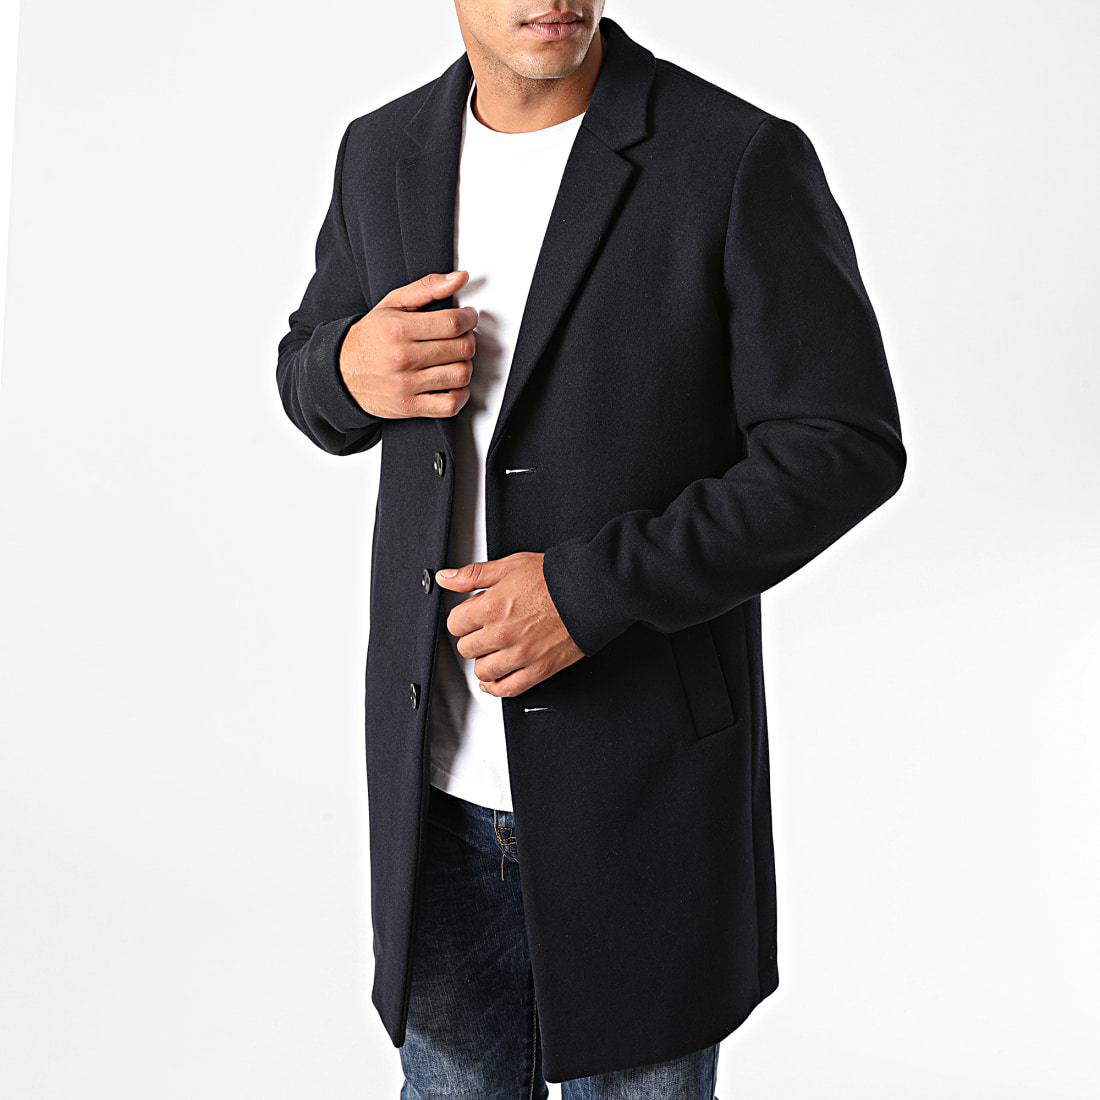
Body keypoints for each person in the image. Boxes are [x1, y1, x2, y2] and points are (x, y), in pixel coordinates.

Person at [276, 3, 905, 1097]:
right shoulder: (381, 152)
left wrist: (589, 590)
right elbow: (308, 374)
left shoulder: (735, 156)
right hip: (435, 791)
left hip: (643, 783)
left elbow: (840, 446)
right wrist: (344, 369)